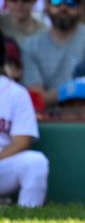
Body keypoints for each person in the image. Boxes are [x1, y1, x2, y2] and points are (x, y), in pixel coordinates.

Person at [21, 0, 85, 106]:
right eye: (56, 1)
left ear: (80, 8)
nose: (63, 7)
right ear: (47, 7)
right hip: (48, 117)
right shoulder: (31, 44)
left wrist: (55, 94)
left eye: (71, 2)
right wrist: (74, 91)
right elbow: (36, 98)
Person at [0, 39, 49, 207]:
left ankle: (27, 214)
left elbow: (22, 142)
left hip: (2, 161)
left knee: (35, 162)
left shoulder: (16, 93)